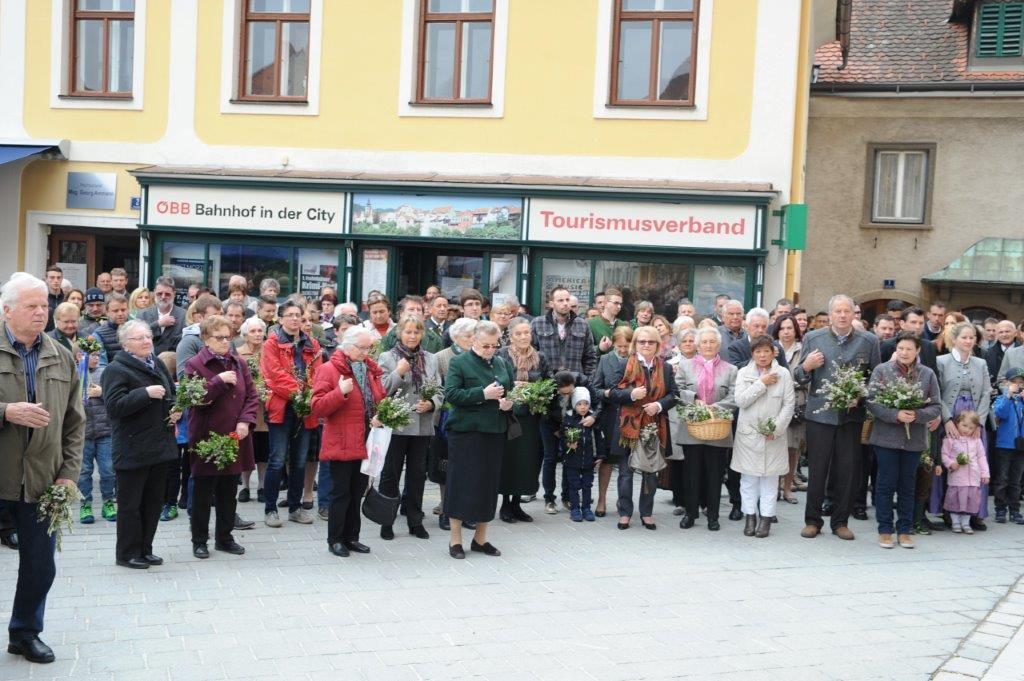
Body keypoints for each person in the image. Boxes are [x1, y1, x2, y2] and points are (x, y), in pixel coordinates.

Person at [0, 273, 84, 664]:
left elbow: (75, 423)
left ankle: (25, 633)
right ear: (7, 310)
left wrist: (68, 474)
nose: (40, 312)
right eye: (31, 306)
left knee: (40, 564)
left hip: (41, 480)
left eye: (43, 305)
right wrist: (6, 412)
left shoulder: (60, 355)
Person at [794, 294, 880, 541]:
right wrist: (807, 366)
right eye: (837, 311)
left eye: (847, 311)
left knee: (847, 470)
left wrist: (860, 397)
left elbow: (876, 379)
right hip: (820, 416)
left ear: (854, 314)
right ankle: (812, 521)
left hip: (851, 417)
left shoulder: (868, 340)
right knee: (818, 470)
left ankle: (840, 522)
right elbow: (798, 376)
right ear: (830, 315)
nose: (842, 316)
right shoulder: (813, 338)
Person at [101, 320, 180, 569]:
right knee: (130, 505)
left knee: (153, 503)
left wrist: (175, 409)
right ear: (125, 345)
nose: (146, 341)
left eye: (147, 336)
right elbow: (114, 407)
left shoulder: (156, 363)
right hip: (132, 447)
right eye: (139, 338)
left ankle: (145, 549)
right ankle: (127, 554)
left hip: (159, 445)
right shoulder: (115, 369)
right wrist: (144, 393)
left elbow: (170, 393)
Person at [182, 316, 257, 559]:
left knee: (228, 491)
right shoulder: (195, 364)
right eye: (219, 337)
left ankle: (224, 538)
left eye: (228, 337)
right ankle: (199, 540)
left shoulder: (239, 362)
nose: (226, 341)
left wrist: (245, 420)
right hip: (206, 437)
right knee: (203, 493)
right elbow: (195, 399)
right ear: (206, 339)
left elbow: (252, 395)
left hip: (234, 436)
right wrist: (218, 381)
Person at [442, 321, 513, 559]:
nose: (490, 350)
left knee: (488, 485)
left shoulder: (502, 362)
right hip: (466, 433)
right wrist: (483, 394)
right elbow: (451, 395)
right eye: (485, 346)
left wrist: (508, 404)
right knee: (461, 484)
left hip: (494, 431)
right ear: (474, 340)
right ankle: (455, 540)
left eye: (494, 345)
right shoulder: (459, 362)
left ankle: (480, 539)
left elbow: (510, 391)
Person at [312, 327, 385, 557]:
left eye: (368, 348)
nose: (366, 352)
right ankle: (335, 539)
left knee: (357, 493)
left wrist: (380, 414)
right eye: (362, 348)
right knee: (341, 493)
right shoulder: (329, 370)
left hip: (366, 439)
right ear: (347, 346)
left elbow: (379, 398)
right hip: (342, 440)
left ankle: (352, 537)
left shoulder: (369, 369)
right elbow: (317, 407)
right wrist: (340, 393)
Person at [865, 333, 942, 549]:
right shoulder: (882, 370)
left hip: (914, 439)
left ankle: (905, 530)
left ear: (917, 351)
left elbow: (936, 406)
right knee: (885, 484)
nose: (904, 353)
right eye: (900, 348)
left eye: (909, 349)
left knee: (908, 485)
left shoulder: (927, 374)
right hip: (886, 438)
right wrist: (895, 414)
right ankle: (885, 529)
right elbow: (872, 402)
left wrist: (917, 415)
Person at [531, 285, 597, 513]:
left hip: (575, 393)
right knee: (550, 455)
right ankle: (549, 497)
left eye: (567, 299)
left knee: (571, 450)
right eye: (560, 300)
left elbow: (590, 356)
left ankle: (568, 496)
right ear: (551, 303)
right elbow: (532, 357)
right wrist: (541, 384)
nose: (565, 303)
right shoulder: (538, 324)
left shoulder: (582, 325)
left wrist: (584, 382)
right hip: (549, 394)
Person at [376, 316, 442, 541]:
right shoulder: (387, 357)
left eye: (416, 332)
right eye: (408, 332)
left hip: (422, 426)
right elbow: (381, 390)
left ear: (422, 334)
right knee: (390, 474)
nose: (412, 336)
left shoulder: (430, 359)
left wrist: (431, 403)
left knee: (417, 474)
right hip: (397, 425)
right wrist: (399, 372)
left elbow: (439, 389)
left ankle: (415, 521)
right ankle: (386, 521)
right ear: (399, 333)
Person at [608, 325, 678, 530]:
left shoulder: (665, 367)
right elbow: (612, 392)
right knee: (625, 473)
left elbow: (673, 395)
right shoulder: (624, 364)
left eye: (651, 342)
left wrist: (659, 405)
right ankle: (625, 513)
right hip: (627, 426)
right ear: (635, 344)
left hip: (654, 426)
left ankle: (646, 513)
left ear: (658, 345)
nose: (646, 345)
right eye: (642, 341)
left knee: (650, 473)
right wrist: (630, 394)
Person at [261, 300, 323, 527]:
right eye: (290, 315)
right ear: (280, 319)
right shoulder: (271, 344)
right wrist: (299, 393)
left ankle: (295, 508)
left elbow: (318, 373)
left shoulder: (312, 343)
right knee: (277, 460)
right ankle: (270, 509)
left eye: (299, 315)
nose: (295, 319)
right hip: (281, 407)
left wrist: (309, 395)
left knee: (299, 460)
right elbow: (274, 375)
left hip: (306, 409)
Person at [732, 335, 795, 538]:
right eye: (758, 351)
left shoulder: (783, 373)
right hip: (748, 436)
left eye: (766, 351)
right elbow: (741, 400)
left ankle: (766, 519)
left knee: (770, 479)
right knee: (748, 480)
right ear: (752, 353)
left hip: (773, 436)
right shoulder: (743, 373)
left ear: (773, 352)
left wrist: (775, 429)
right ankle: (750, 516)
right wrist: (761, 383)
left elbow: (788, 405)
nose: (762, 355)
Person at [675, 327, 738, 530]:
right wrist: (694, 400)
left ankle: (713, 516)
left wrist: (714, 408)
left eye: (712, 342)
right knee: (691, 474)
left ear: (718, 345)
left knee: (714, 475)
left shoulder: (730, 369)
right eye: (704, 342)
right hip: (692, 428)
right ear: (698, 345)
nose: (708, 345)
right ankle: (690, 514)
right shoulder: (685, 366)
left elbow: (735, 396)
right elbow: (677, 390)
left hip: (718, 428)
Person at [934, 321, 991, 529]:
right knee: (950, 460)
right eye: (964, 337)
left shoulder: (980, 363)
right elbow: (936, 392)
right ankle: (948, 511)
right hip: (950, 417)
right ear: (954, 339)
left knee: (975, 462)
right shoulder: (941, 361)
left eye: (971, 337)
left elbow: (986, 392)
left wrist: (979, 423)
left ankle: (974, 512)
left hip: (973, 419)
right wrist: (947, 419)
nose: (968, 341)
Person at [496, 317, 549, 523]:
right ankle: (505, 505)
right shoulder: (502, 355)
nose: (523, 336)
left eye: (526, 332)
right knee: (508, 459)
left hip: (530, 416)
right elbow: (496, 380)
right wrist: (513, 386)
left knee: (526, 460)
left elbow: (549, 382)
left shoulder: (540, 357)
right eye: (518, 333)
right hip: (508, 415)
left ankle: (517, 504)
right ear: (511, 336)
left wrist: (533, 388)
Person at [431, 318, 477, 530]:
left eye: (474, 335)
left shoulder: (478, 356)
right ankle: (446, 510)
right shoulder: (441, 357)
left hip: (473, 419)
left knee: (469, 467)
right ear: (455, 337)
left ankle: (465, 511)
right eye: (468, 336)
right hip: (447, 420)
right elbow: (436, 388)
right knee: (446, 466)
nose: (472, 339)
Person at [78, 343, 116, 524]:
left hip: (105, 431)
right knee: (84, 471)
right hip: (82, 433)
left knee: (108, 470)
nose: (95, 358)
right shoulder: (74, 374)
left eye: (97, 354)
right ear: (79, 356)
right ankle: (85, 504)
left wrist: (102, 392)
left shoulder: (106, 372)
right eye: (90, 355)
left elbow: (116, 398)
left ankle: (108, 502)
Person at [773, 313, 805, 503]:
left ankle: (787, 488)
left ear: (796, 330)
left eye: (790, 328)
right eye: (782, 328)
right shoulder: (772, 348)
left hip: (796, 402)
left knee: (792, 449)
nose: (786, 332)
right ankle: (774, 487)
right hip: (774, 402)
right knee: (776, 446)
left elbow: (807, 376)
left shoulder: (803, 349)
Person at [236, 317, 268, 504]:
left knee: (263, 449)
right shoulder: (238, 354)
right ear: (245, 335)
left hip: (266, 408)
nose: (257, 334)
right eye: (253, 331)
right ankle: (245, 486)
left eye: (260, 331)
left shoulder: (269, 352)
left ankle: (262, 486)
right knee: (246, 449)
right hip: (246, 409)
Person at [942, 411, 989, 534]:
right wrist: (951, 464)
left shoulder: (977, 440)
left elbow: (981, 457)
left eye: (971, 428)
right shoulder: (950, 439)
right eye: (964, 425)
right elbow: (944, 454)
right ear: (957, 423)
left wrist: (985, 473)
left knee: (970, 501)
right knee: (955, 501)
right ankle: (955, 523)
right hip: (957, 478)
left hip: (973, 479)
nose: (967, 430)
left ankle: (965, 523)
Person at [992, 368, 1024, 524]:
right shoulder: (1001, 399)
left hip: (1020, 447)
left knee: (1016, 481)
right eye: (1013, 382)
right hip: (1004, 445)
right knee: (1002, 478)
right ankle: (1000, 509)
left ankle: (1015, 510)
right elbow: (1000, 413)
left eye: (1020, 382)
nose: (1017, 385)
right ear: (1006, 383)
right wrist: (1008, 395)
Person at [562, 387, 597, 522]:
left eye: (586, 404)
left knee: (587, 485)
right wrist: (568, 444)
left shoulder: (592, 420)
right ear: (574, 404)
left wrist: (600, 456)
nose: (583, 407)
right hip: (572, 461)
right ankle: (575, 509)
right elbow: (562, 437)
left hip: (588, 461)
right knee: (574, 485)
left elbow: (598, 439)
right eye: (579, 404)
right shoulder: (569, 419)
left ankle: (586, 508)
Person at [589, 287, 626, 356]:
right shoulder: (591, 324)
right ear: (605, 303)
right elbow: (584, 351)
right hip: (600, 362)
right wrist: (599, 348)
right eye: (616, 303)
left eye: (620, 304)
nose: (619, 307)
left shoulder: (624, 325)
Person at [94, 293, 130, 360]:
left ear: (128, 310)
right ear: (107, 312)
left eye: (123, 310)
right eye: (115, 311)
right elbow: (101, 363)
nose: (120, 314)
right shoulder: (99, 334)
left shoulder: (138, 329)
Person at [986, 320, 1021, 386]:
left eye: (1007, 331)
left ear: (1015, 333)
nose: (1004, 335)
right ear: (996, 335)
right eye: (1001, 332)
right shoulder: (988, 353)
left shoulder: (1022, 351)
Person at [43, 265, 64, 333]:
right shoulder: (42, 299)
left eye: (58, 278)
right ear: (46, 279)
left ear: (62, 279)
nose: (56, 280)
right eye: (52, 277)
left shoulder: (67, 299)